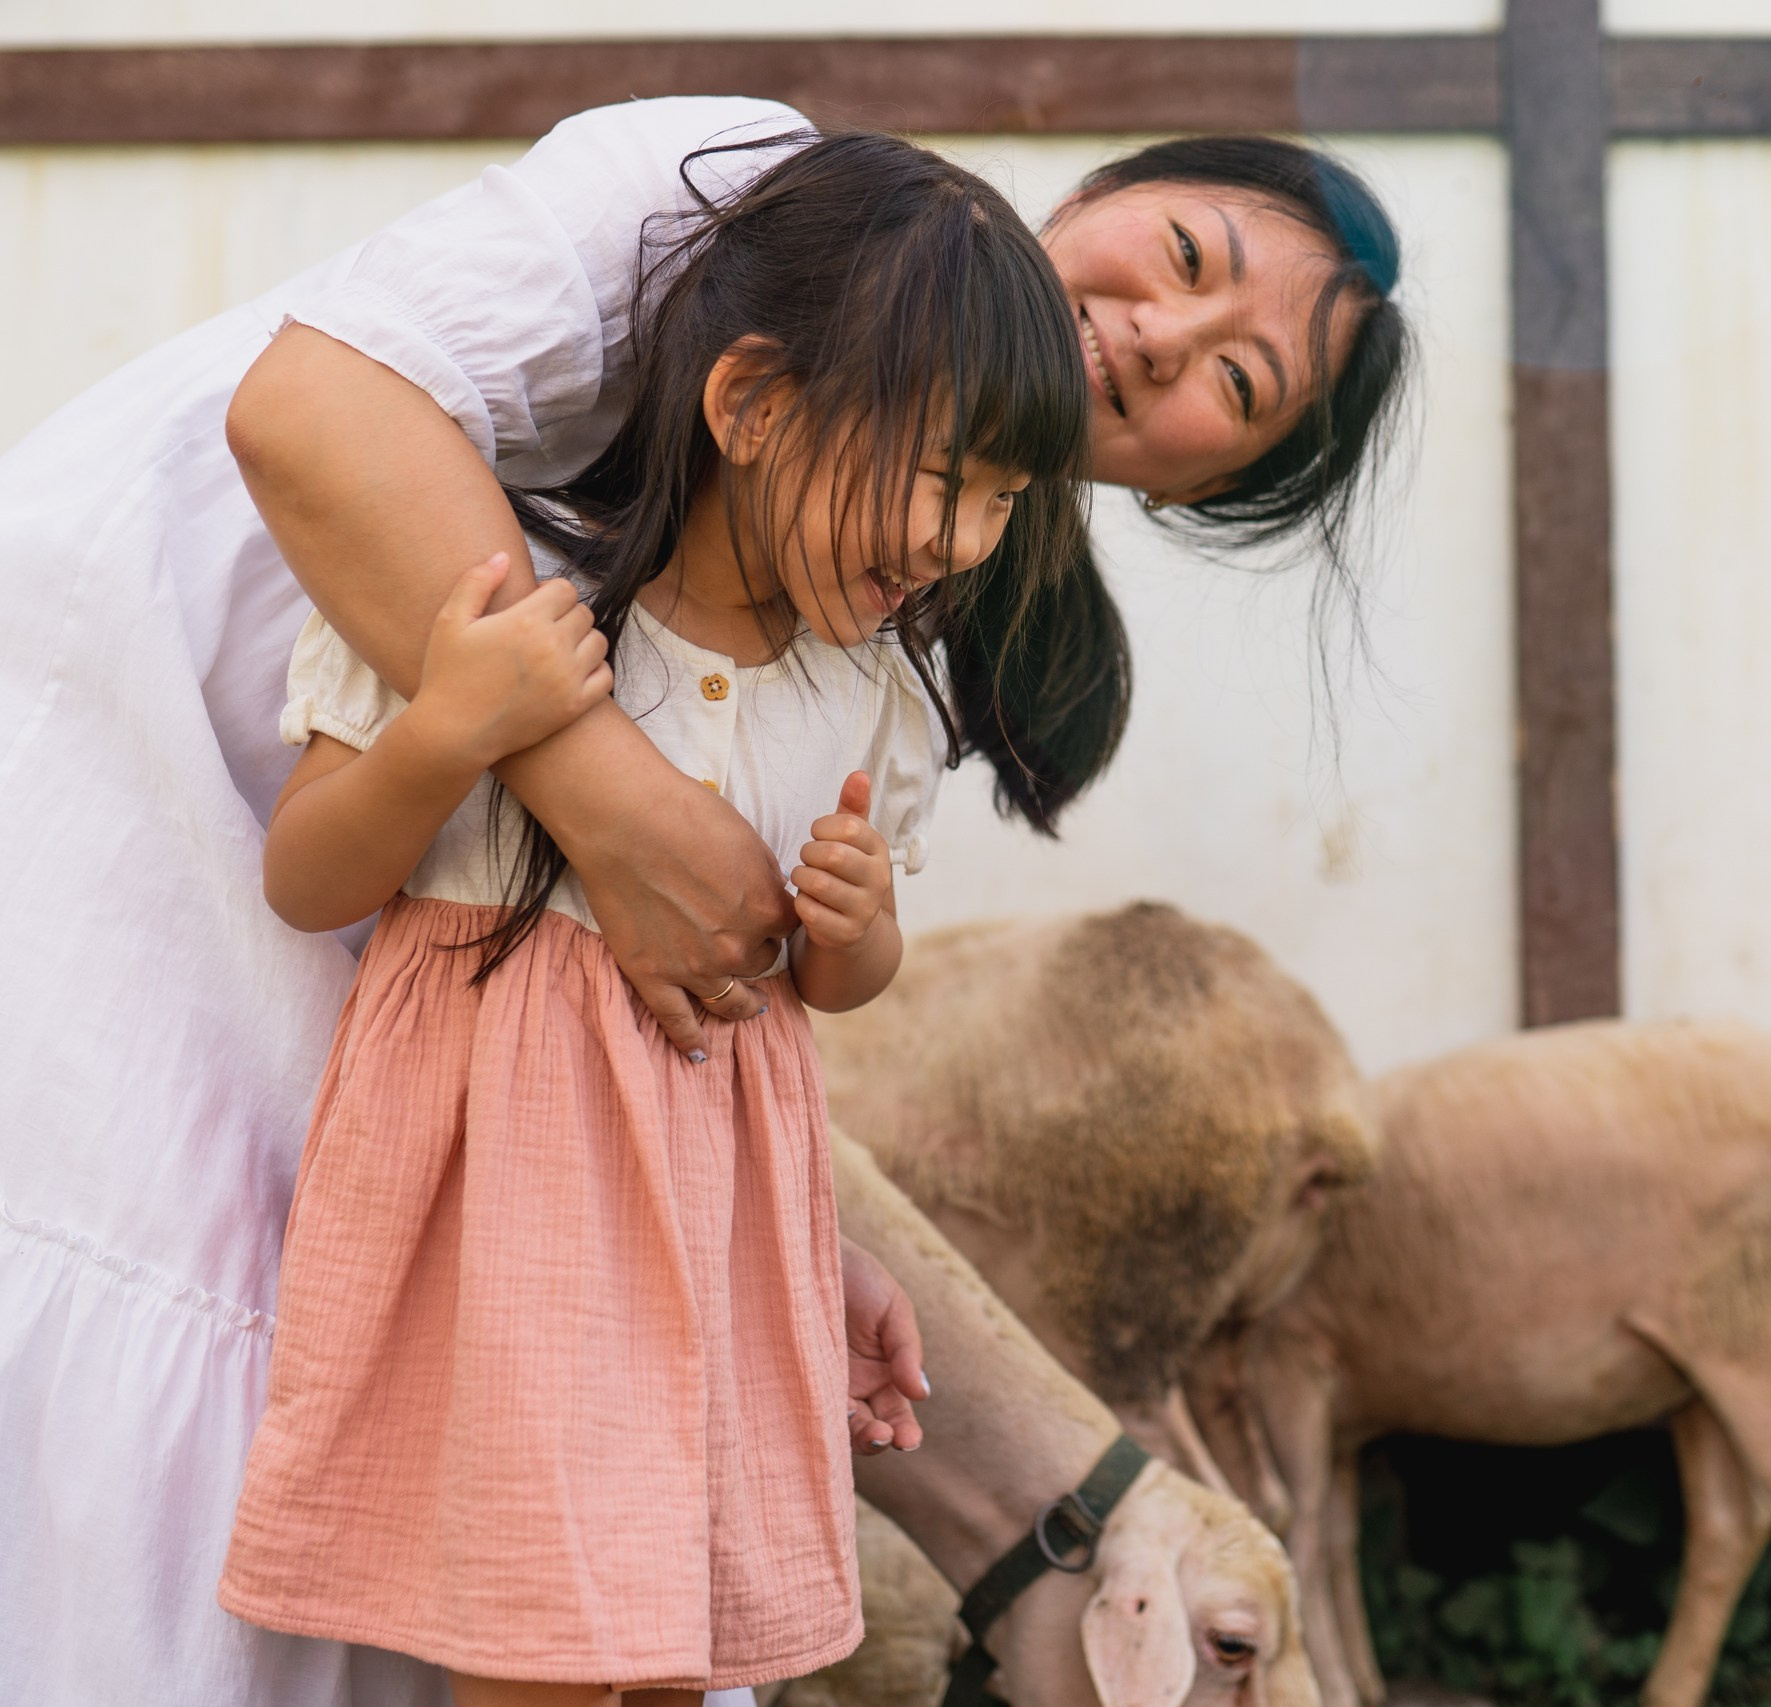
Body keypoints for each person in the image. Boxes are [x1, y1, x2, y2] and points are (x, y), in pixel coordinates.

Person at [0, 96, 1408, 1707]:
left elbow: (714, 992)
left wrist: (786, 1229)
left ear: (1205, 489)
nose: (1165, 341)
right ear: (1103, 186)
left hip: (430, 1037)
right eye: (1182, 255)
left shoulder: (877, 607)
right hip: (139, 748)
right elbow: (318, 410)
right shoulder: (741, 196)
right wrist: (602, 799)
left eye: (1240, 382)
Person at [213, 129, 1091, 1706]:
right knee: (541, 1644)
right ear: (751, 404)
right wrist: (449, 730)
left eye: (1006, 501)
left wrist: (854, 932)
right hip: (509, 1215)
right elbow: (309, 881)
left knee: (675, 1644)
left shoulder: (874, 701)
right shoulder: (500, 599)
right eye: (945, 478)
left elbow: (816, 994)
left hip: (712, 1229)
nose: (965, 542)